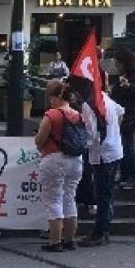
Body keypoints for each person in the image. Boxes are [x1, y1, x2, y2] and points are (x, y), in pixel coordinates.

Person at [34, 79, 84, 252]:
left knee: (54, 200)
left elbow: (40, 139)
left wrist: (39, 143)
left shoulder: (52, 115)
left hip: (54, 159)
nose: (50, 101)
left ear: (56, 97)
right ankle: (69, 240)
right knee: (69, 199)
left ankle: (54, 242)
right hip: (75, 160)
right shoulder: (78, 115)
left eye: (50, 97)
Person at [78, 91, 124, 247]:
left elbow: (91, 133)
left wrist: (84, 143)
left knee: (102, 193)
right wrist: (114, 133)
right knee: (107, 192)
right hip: (114, 149)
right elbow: (120, 112)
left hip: (102, 153)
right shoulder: (104, 96)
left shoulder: (88, 104)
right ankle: (104, 228)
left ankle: (100, 231)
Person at [110, 49, 135, 190]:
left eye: (117, 63)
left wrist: (129, 86)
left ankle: (132, 176)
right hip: (120, 115)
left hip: (129, 116)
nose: (116, 66)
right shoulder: (122, 76)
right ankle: (125, 176)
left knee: (127, 147)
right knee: (123, 147)